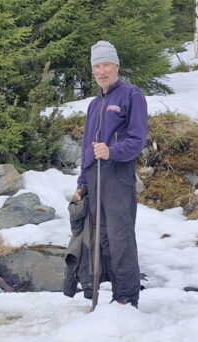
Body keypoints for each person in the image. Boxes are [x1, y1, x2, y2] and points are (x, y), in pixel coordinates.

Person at [72, 41, 148, 307]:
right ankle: (115, 295)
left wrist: (112, 151)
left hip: (117, 174)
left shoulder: (131, 95)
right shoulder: (95, 104)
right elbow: (87, 146)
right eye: (96, 66)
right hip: (95, 177)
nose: (101, 71)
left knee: (120, 237)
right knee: (102, 239)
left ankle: (127, 298)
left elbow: (137, 139)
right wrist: (82, 182)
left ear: (117, 66)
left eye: (106, 65)